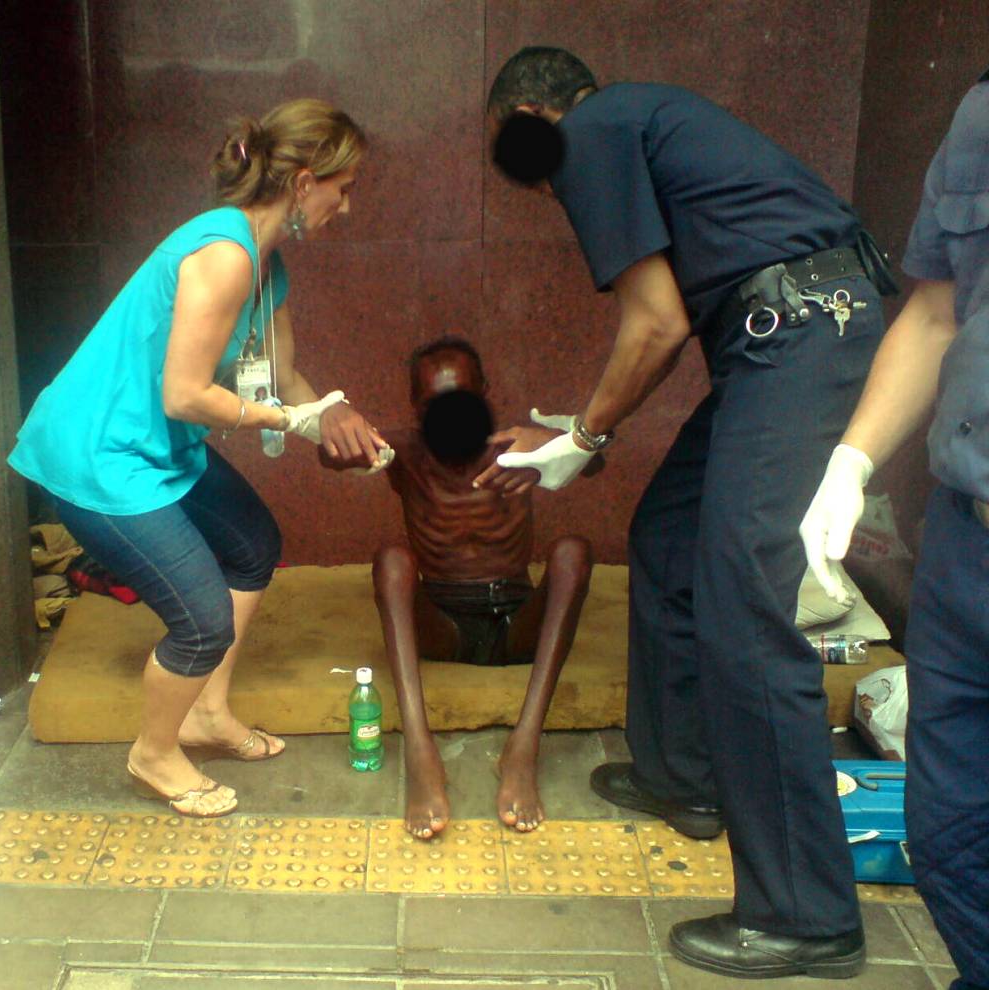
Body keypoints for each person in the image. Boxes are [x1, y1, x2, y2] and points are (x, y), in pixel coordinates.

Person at [477, 47, 894, 979]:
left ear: (531, 117)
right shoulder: (641, 119)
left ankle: (806, 914)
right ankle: (685, 777)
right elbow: (662, 330)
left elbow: (656, 323)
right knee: (668, 535)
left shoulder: (585, 133)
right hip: (786, 336)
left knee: (746, 611)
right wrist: (583, 429)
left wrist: (583, 439)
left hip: (798, 335)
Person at [8, 98, 388, 818]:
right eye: (345, 187)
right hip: (101, 454)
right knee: (201, 620)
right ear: (304, 183)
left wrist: (332, 415)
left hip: (154, 446)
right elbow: (185, 395)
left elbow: (280, 376)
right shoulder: (224, 255)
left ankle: (205, 713)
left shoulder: (267, 269)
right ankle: (153, 752)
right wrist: (281, 419)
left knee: (252, 545)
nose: (349, 204)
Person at [801, 70, 989, 990]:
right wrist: (851, 463)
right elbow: (933, 310)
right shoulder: (981, 111)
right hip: (967, 538)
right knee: (950, 830)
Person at [323, 336, 593, 838]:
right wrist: (342, 432)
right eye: (434, 405)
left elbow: (593, 458)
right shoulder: (405, 450)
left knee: (574, 551)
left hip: (516, 622)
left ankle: (524, 747)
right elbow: (331, 456)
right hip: (441, 622)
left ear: (485, 391)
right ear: (415, 407)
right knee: (391, 560)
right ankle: (420, 750)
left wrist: (558, 441)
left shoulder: (516, 446)